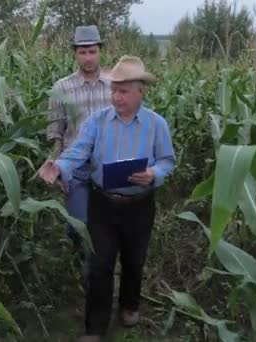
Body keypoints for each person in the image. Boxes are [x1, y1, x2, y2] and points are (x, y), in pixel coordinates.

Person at [38, 55, 176, 342]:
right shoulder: (97, 122)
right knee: (99, 264)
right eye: (114, 90)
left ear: (140, 92)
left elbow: (167, 160)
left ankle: (129, 304)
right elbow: (77, 152)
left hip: (140, 205)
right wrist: (59, 167)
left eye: (124, 91)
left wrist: (153, 174)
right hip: (103, 203)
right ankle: (95, 328)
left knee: (134, 261)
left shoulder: (156, 124)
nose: (116, 96)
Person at [46, 25, 112, 259]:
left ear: (100, 51)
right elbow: (55, 132)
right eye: (82, 52)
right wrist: (56, 166)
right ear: (75, 53)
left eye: (92, 51)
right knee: (78, 223)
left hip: (107, 166)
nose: (88, 57)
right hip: (75, 168)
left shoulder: (115, 85)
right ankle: (77, 260)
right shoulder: (61, 88)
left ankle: (96, 272)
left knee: (104, 227)